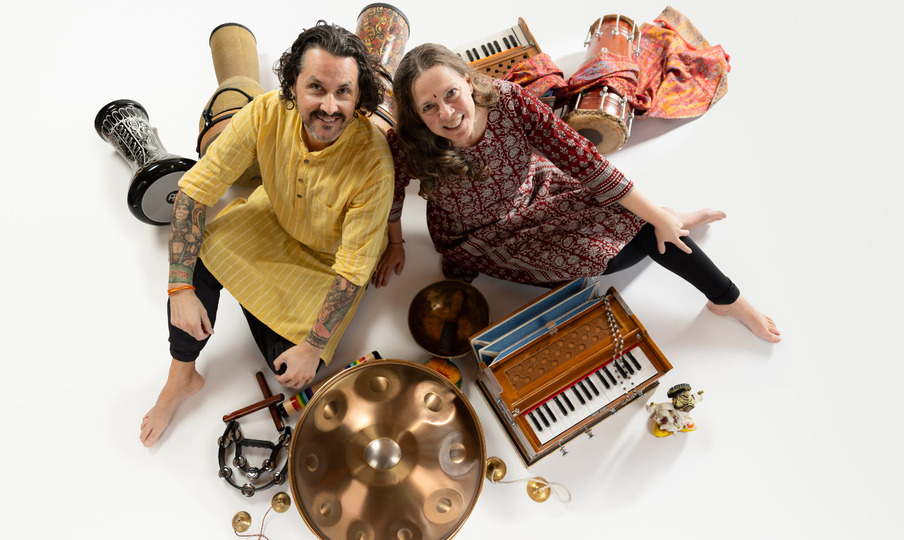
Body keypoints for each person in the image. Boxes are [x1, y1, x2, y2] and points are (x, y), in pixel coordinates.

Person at [372, 43, 779, 344]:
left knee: (642, 223)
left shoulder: (509, 101)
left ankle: (725, 297)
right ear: (416, 115)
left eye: (450, 93)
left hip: (538, 189)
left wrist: (653, 217)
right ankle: (665, 217)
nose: (446, 112)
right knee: (618, 255)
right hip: (479, 238)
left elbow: (586, 161)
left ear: (467, 80)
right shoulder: (409, 142)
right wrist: (396, 242)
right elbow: (392, 192)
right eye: (428, 107)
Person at [140, 21, 395, 447]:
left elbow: (353, 270)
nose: (330, 106)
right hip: (270, 221)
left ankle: (255, 300)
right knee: (194, 257)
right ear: (292, 84)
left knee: (292, 375)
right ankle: (181, 376)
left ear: (358, 96)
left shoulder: (374, 164)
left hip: (328, 266)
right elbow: (194, 191)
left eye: (343, 92)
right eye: (316, 88)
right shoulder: (265, 111)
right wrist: (179, 287)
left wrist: (312, 347)